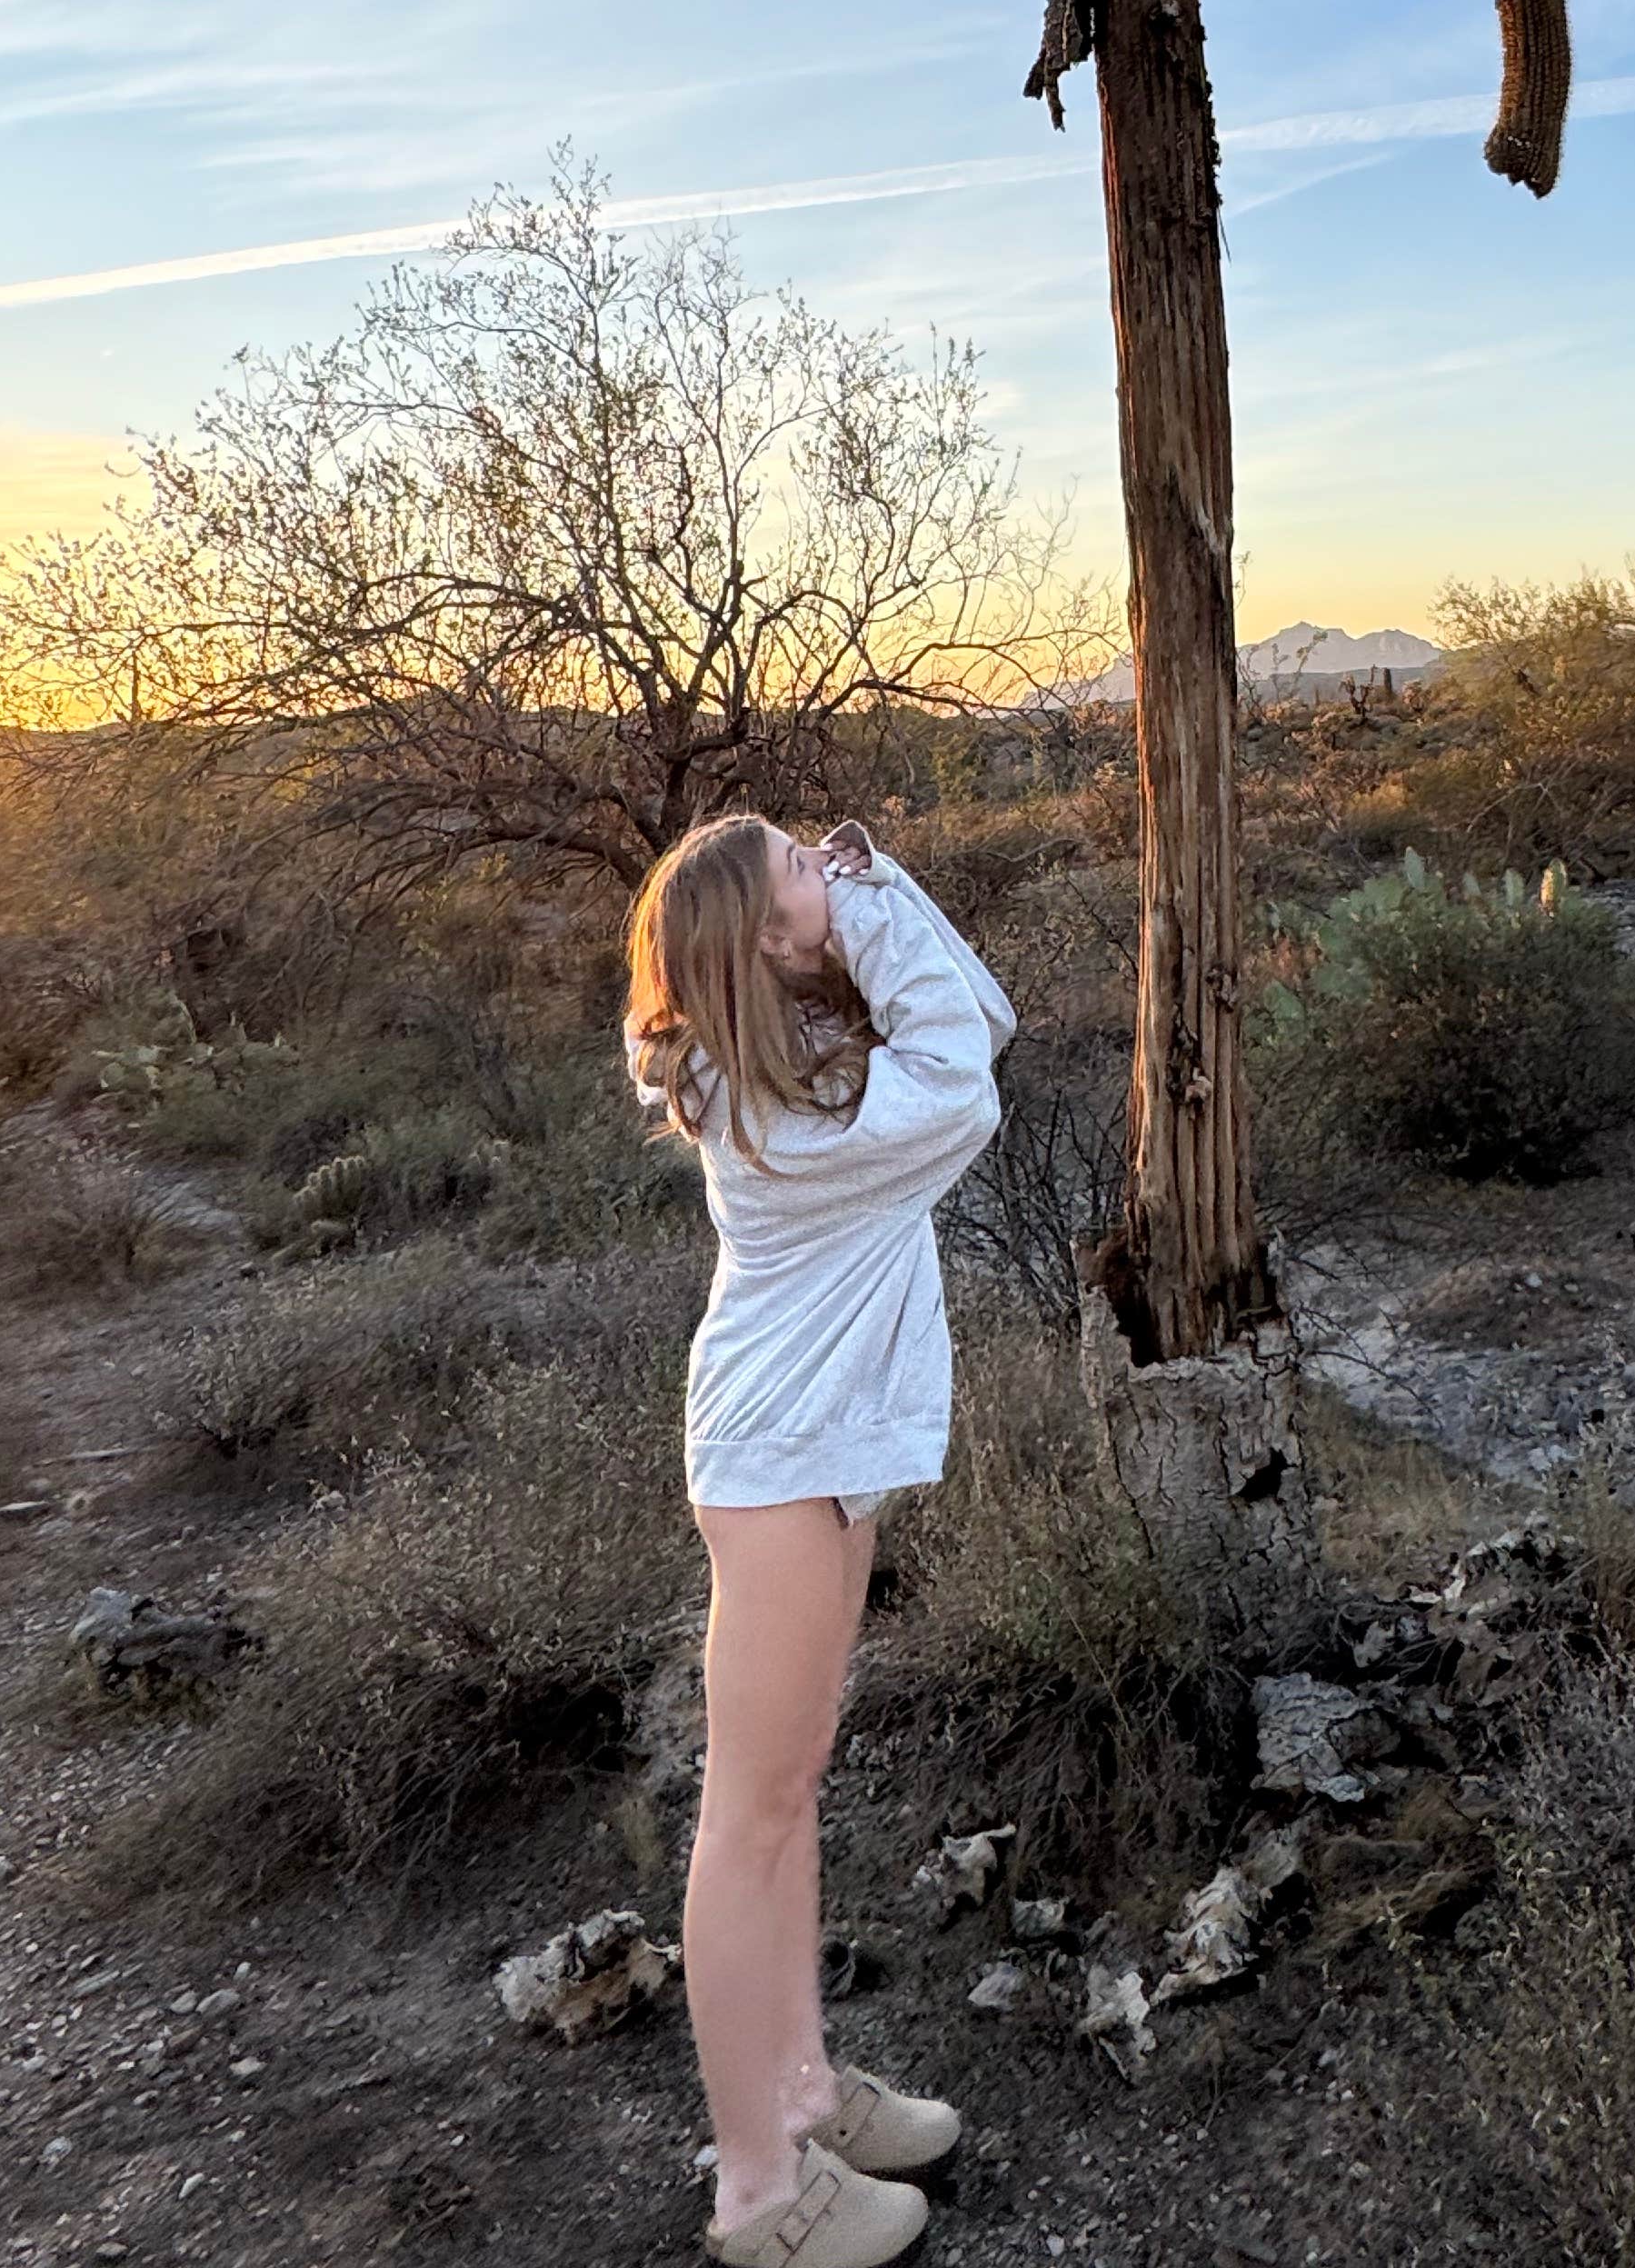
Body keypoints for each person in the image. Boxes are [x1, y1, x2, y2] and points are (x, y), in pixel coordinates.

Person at [624, 810, 1012, 2268]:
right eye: (802, 868)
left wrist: (879, 891)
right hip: (782, 1465)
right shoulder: (789, 1116)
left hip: (820, 1453)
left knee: (790, 1794)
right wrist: (868, 919)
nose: (825, 868)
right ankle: (755, 2190)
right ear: (766, 944)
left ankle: (804, 2092)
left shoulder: (799, 1071)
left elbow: (982, 1019)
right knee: (752, 1819)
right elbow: (966, 1083)